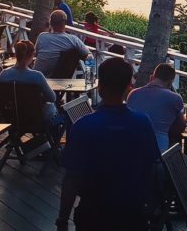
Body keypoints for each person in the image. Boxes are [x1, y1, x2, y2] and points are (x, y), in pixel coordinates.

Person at [57, 57, 160, 231]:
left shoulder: (83, 126)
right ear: (129, 87)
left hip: (93, 213)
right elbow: (152, 167)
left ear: (100, 88)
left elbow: (72, 178)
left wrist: (62, 220)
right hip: (132, 212)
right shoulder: (142, 123)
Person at [0, 40, 62, 135]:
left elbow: (0, 96)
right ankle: (51, 144)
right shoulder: (36, 76)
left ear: (16, 54)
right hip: (35, 118)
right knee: (56, 108)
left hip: (13, 117)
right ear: (32, 55)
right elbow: (52, 98)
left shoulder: (4, 74)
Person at [126, 63, 186, 152]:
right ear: (170, 82)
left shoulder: (133, 94)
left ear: (152, 77)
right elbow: (181, 126)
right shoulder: (175, 98)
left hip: (131, 147)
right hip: (158, 151)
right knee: (185, 159)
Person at [34, 10, 89, 78]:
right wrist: (89, 72)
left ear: (50, 22)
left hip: (36, 79)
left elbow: (35, 55)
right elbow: (89, 56)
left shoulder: (42, 37)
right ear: (64, 23)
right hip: (57, 81)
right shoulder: (73, 40)